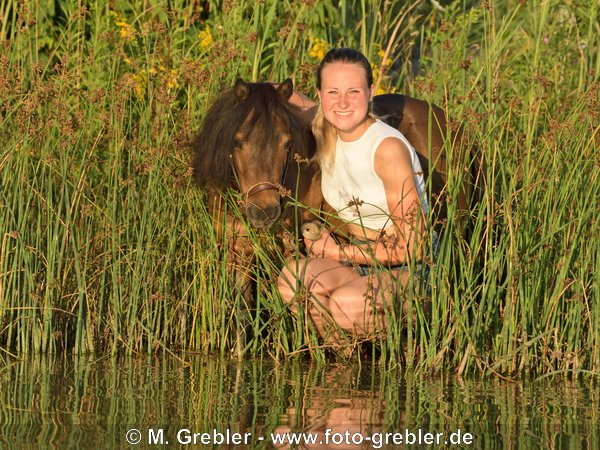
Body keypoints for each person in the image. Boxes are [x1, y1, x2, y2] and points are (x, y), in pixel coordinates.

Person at [277, 48, 435, 346]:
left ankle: (387, 361)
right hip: (361, 259)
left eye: (353, 91)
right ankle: (342, 360)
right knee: (291, 282)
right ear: (320, 95)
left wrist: (337, 253)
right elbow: (280, 96)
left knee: (347, 304)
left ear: (371, 92)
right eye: (333, 91)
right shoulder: (326, 128)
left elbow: (410, 249)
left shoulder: (387, 149)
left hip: (411, 267)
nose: (343, 103)